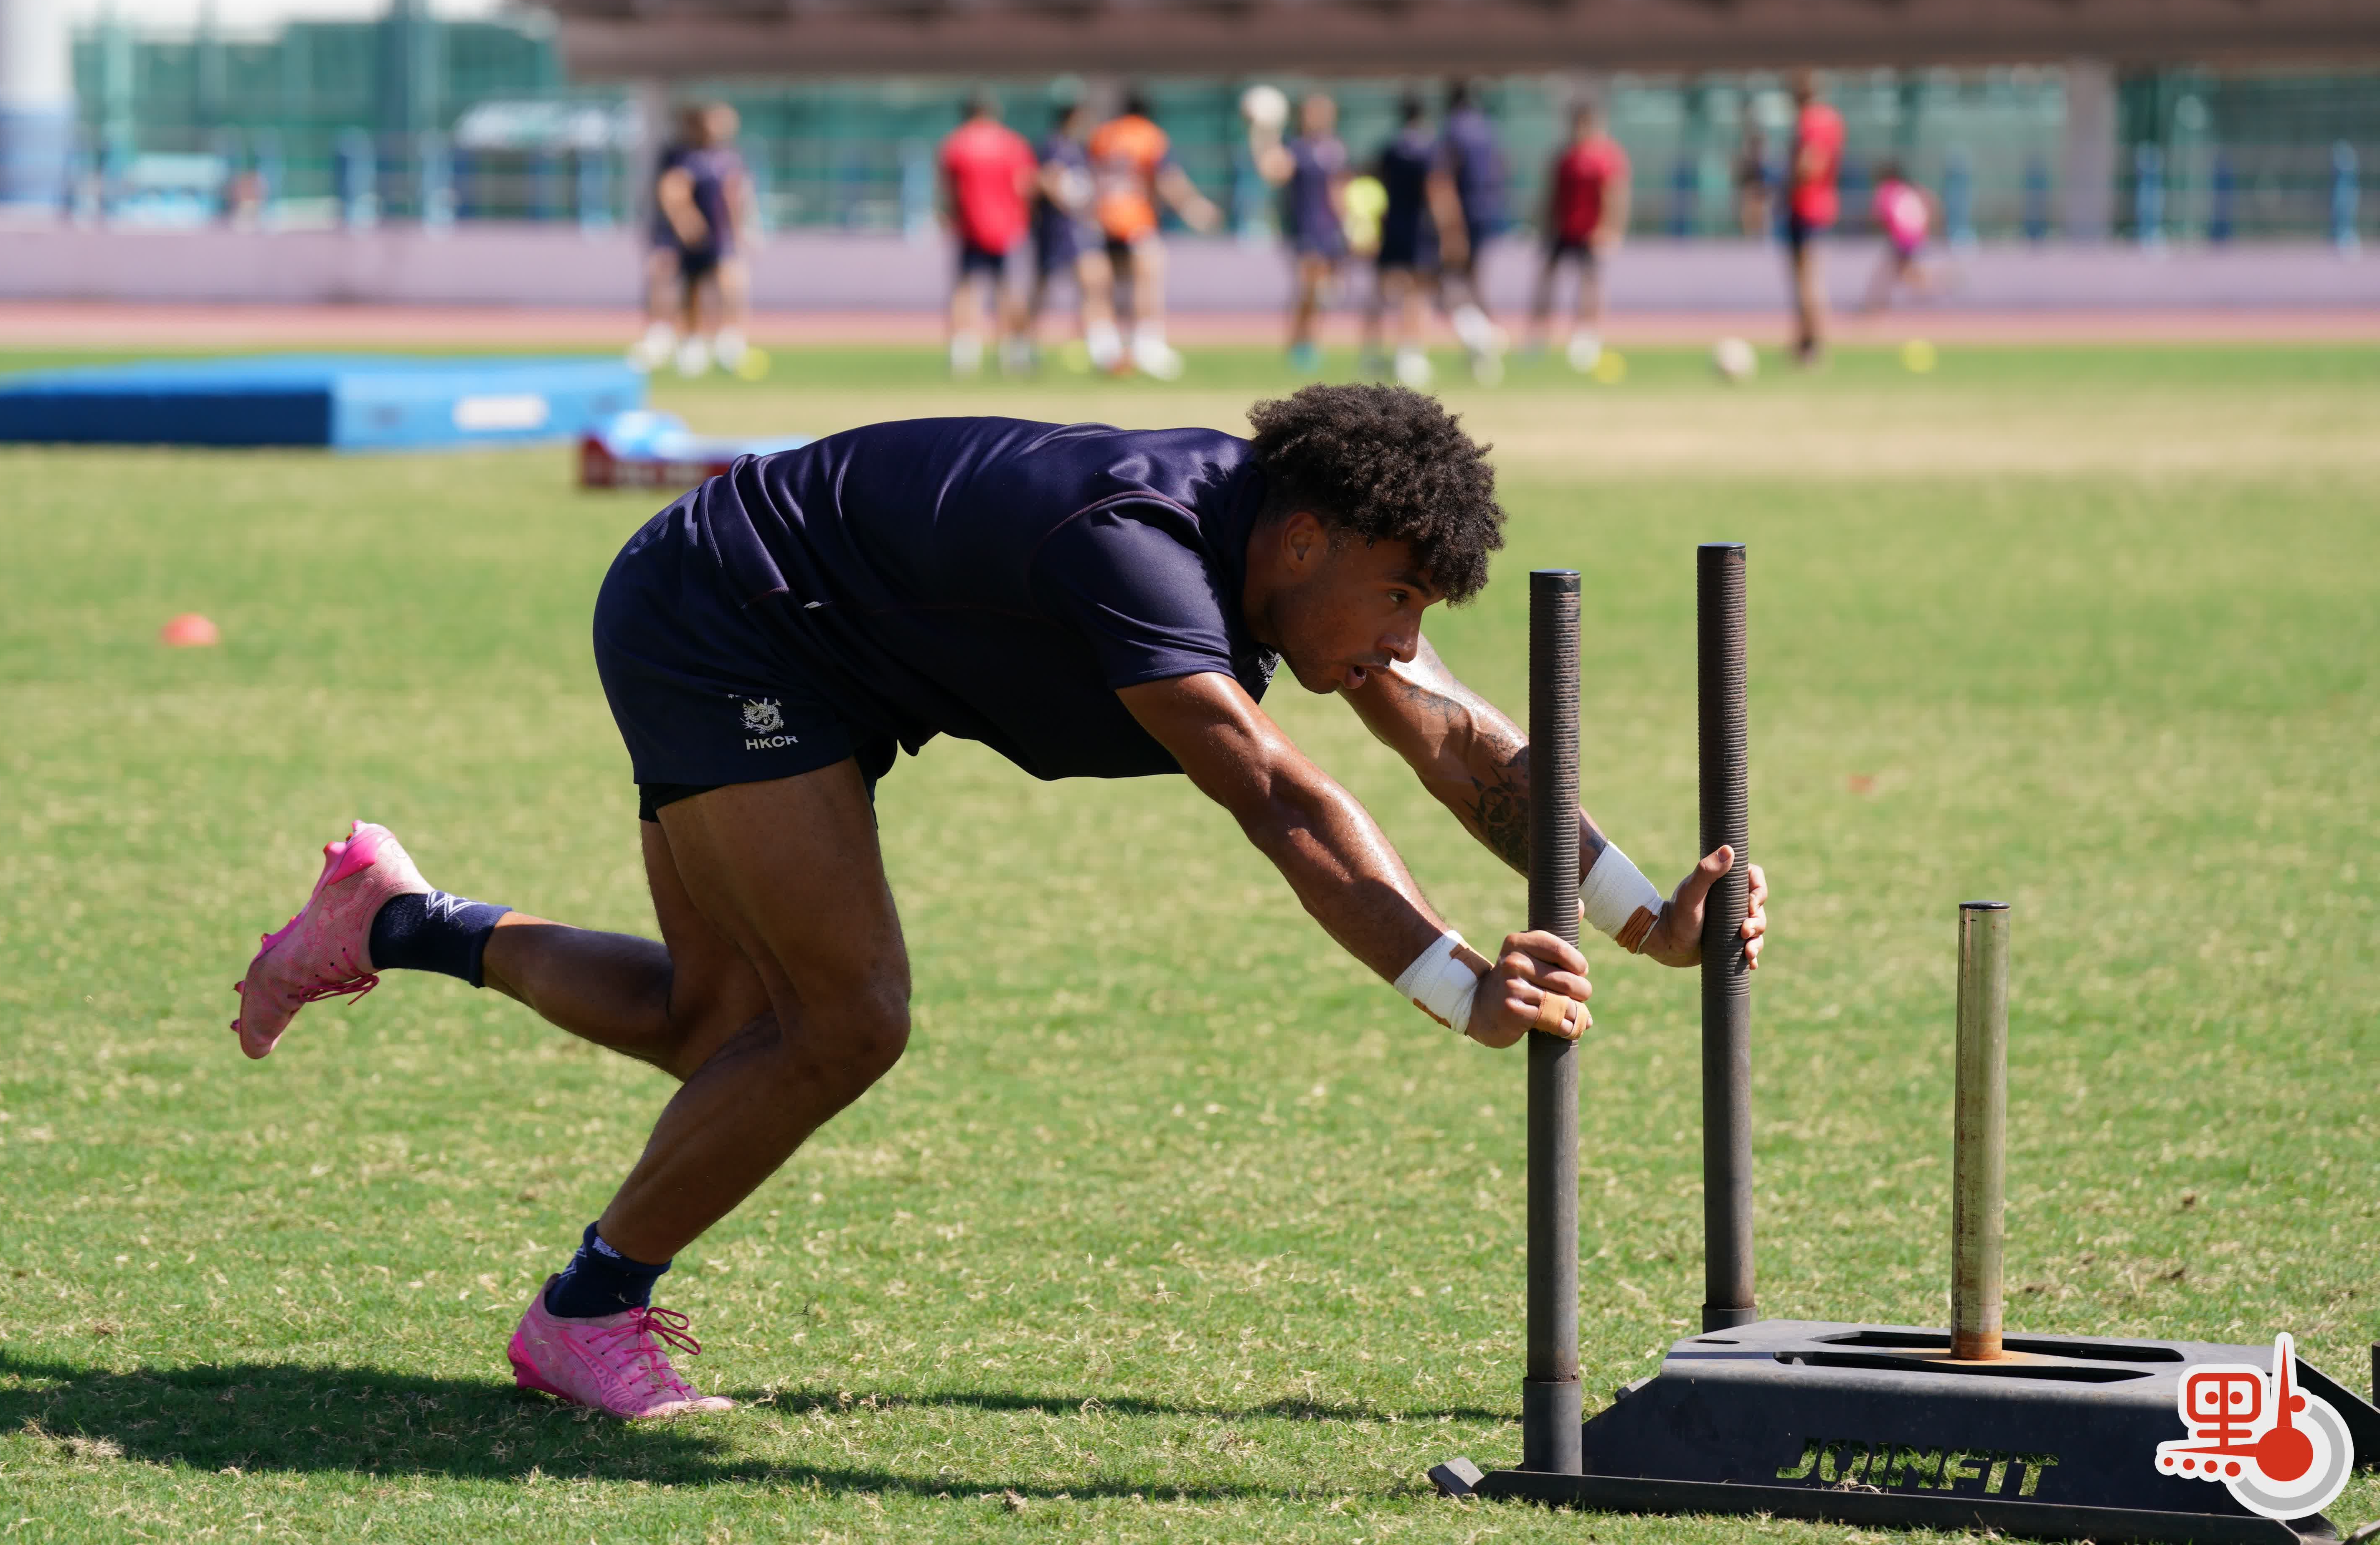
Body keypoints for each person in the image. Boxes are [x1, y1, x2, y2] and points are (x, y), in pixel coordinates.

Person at [230, 384, 1770, 1421]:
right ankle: (585, 1310)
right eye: (1398, 598)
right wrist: (1453, 983)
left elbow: (1459, 743)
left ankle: (393, 919)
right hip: (729, 618)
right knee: (843, 1023)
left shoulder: (1289, 553)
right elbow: (1279, 797)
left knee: (716, 1025)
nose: (1403, 638)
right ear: (1307, 541)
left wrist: (1642, 914)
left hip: (822, 643)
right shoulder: (1139, 550)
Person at [1085, 89, 1222, 379]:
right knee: (1147, 281)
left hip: (1103, 218)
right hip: (1135, 218)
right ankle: (1146, 346)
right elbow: (1167, 177)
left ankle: (1104, 349)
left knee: (1104, 288)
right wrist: (1194, 207)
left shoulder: (1103, 135)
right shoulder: (1149, 135)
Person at [630, 103, 759, 379]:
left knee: (731, 282)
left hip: (719, 235)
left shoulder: (729, 157)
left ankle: (730, 341)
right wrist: (686, 220)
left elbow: (735, 194)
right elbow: (672, 188)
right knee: (687, 286)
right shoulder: (681, 155)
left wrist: (741, 229)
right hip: (687, 237)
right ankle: (682, 341)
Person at [1363, 93, 1465, 390]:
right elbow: (1437, 190)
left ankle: (1371, 352)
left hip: (1392, 224)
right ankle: (1409, 355)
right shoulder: (1431, 149)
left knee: (1383, 289)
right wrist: (1451, 231)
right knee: (1417, 292)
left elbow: (1374, 182)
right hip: (1420, 229)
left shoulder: (1390, 148)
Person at [936, 91, 1038, 376]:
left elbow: (948, 190)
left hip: (970, 225)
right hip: (1007, 227)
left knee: (966, 289)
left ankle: (963, 354)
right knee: (1009, 290)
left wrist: (952, 217)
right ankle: (1013, 352)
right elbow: (1025, 185)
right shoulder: (1012, 143)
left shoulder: (956, 143)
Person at [1248, 90, 1351, 369]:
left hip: (1330, 228)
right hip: (1305, 227)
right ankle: (1299, 344)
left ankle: (1311, 341)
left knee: (1325, 292)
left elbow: (1338, 189)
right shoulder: (1296, 148)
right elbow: (1273, 172)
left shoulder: (1335, 148)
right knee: (1308, 287)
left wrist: (1349, 223)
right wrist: (1261, 135)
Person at [1527, 99, 1631, 371]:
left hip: (1591, 232)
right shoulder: (1565, 157)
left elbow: (1614, 194)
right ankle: (1538, 337)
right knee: (1547, 280)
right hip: (1563, 229)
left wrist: (1611, 228)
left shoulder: (1605, 156)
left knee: (1590, 285)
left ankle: (1586, 338)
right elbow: (1552, 195)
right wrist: (1546, 227)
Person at [1019, 99, 1106, 369]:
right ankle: (1022, 348)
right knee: (1042, 288)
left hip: (1075, 228)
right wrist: (1068, 201)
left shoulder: (1079, 149)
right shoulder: (1053, 146)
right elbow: (1043, 180)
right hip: (1055, 229)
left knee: (1092, 282)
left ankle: (1100, 348)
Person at [1438, 81, 1512, 378]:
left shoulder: (1453, 130)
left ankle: (1483, 338)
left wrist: (1450, 226)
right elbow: (1502, 167)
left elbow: (1444, 178)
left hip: (1464, 213)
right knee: (1474, 279)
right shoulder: (1488, 129)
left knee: (1450, 283)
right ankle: (1481, 347)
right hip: (1488, 209)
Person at [1783, 69, 1845, 366]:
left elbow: (1812, 163)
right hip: (1820, 206)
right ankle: (1805, 341)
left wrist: (1785, 184)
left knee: (1807, 279)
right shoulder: (1832, 119)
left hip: (1806, 206)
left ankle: (1813, 345)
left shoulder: (1811, 120)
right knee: (1808, 278)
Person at [1860, 158, 1950, 313]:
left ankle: (1874, 306)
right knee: (1903, 273)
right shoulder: (1909, 189)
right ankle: (1940, 280)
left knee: (1892, 273)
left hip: (1902, 238)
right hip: (1916, 236)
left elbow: (1879, 215)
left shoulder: (1887, 191)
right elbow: (1931, 204)